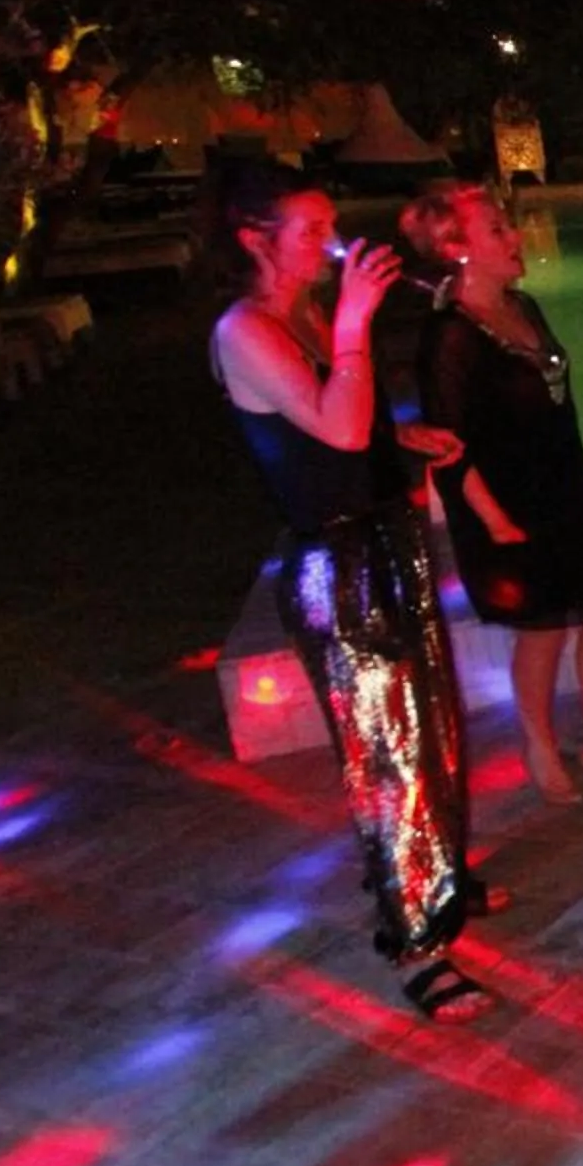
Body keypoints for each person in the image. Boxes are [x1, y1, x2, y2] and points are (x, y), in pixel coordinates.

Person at [210, 167, 495, 1023]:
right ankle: (416, 946)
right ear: (254, 239)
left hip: (384, 539)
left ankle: (437, 880)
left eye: (330, 225)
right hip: (335, 567)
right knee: (387, 754)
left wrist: (397, 435)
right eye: (309, 230)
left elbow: (342, 421)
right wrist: (355, 323)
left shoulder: (303, 314)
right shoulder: (247, 328)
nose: (332, 244)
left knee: (431, 726)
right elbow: (330, 424)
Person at [402, 184, 583, 803]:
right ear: (457, 248)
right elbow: (448, 446)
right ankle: (541, 749)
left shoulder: (525, 307)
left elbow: (554, 409)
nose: (515, 238)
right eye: (497, 229)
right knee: (542, 628)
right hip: (504, 509)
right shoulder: (449, 338)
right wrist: (496, 523)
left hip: (562, 489)